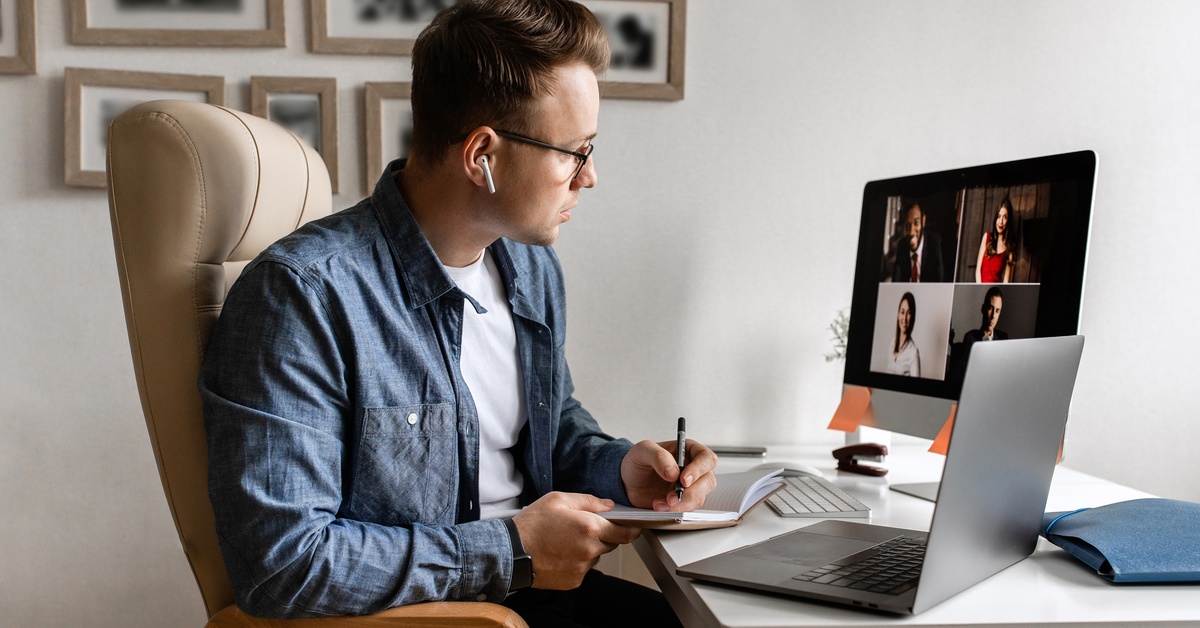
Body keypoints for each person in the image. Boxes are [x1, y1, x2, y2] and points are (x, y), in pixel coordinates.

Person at [198, 1, 716, 625]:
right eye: (573, 153)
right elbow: (282, 566)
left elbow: (547, 427)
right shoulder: (302, 297)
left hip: (532, 598)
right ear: (482, 157)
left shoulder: (530, 268)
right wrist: (513, 549)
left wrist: (620, 470)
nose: (590, 177)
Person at [890, 201, 945, 283]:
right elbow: (896, 283)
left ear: (923, 221)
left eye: (916, 223)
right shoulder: (902, 245)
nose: (911, 232)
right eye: (908, 225)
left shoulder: (935, 243)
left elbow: (939, 282)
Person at [975, 197, 1014, 283]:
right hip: (980, 290)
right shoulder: (987, 237)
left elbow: (1006, 282)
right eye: (999, 216)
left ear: (1008, 221)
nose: (1001, 221)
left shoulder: (1009, 251)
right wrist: (981, 291)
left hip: (995, 293)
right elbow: (978, 270)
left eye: (1005, 217)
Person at [887, 292, 921, 377]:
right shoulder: (892, 344)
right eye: (902, 312)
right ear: (898, 315)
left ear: (912, 317)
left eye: (908, 313)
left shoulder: (913, 353)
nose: (904, 318)